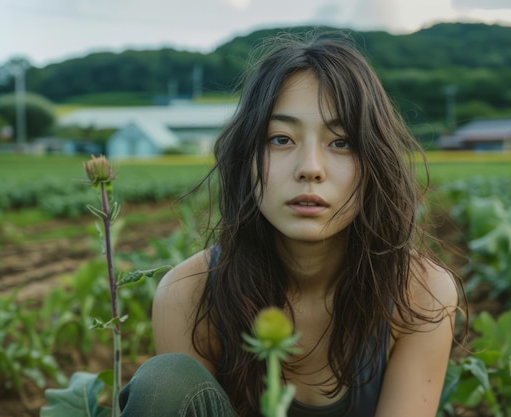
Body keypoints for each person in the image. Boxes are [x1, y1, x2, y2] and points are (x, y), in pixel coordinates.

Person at [119, 30, 465, 417]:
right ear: (245, 157)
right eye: (281, 139)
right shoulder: (188, 293)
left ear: (374, 164)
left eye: (342, 142)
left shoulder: (421, 292)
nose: (310, 169)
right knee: (164, 382)